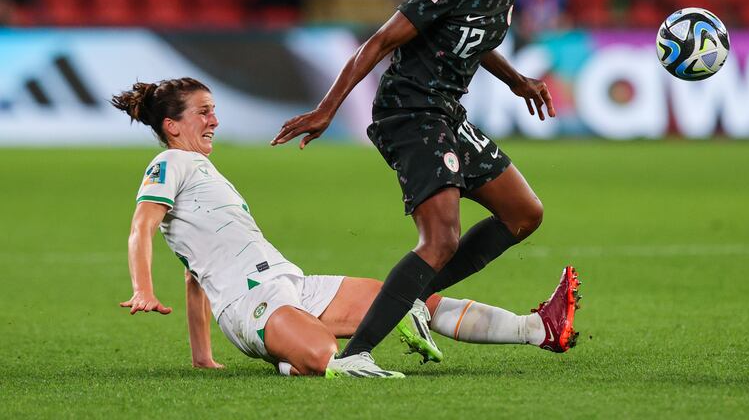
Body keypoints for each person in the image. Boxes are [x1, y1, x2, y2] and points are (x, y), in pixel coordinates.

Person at [271, 0, 581, 374]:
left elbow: (474, 40)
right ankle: (353, 357)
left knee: (523, 213)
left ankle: (415, 295)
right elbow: (376, 44)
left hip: (446, 113)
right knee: (440, 241)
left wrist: (517, 80)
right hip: (408, 113)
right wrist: (327, 109)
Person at [114, 77, 581, 378]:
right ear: (173, 126)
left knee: (405, 299)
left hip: (292, 283)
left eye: (214, 108)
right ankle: (294, 360)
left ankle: (537, 328)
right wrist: (142, 288)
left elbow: (194, 273)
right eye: (203, 111)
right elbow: (141, 226)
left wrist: (202, 356)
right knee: (321, 356)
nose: (214, 119)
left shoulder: (201, 172)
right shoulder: (170, 161)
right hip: (248, 305)